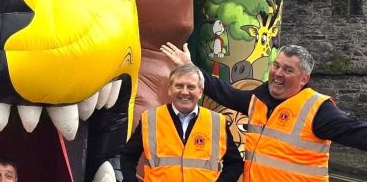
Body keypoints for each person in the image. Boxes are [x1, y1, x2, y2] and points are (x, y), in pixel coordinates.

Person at [161, 42, 367, 181]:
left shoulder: (317, 109)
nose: (278, 73)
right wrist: (189, 67)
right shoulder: (258, 100)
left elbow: (355, 132)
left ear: (304, 79)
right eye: (276, 66)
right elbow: (223, 92)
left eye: (288, 70)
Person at [120, 63, 242, 181]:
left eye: (191, 87)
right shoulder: (150, 119)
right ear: (169, 89)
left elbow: (235, 164)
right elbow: (128, 157)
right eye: (179, 86)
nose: (184, 92)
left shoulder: (217, 122)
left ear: (200, 92)